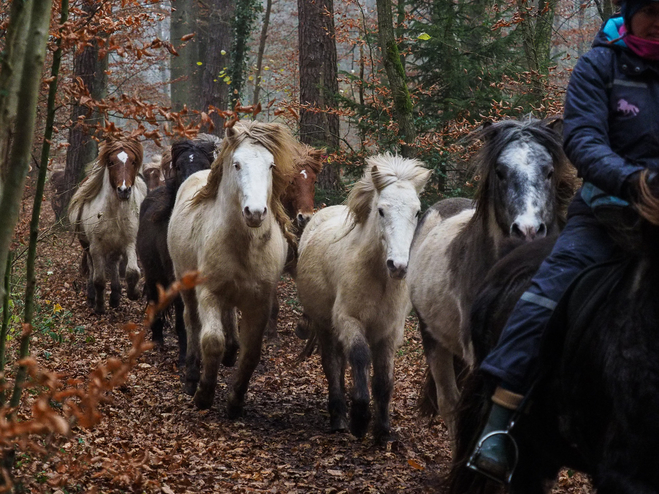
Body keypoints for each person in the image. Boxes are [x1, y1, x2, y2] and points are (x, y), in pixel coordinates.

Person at [468, 0, 659, 482]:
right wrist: (634, 182)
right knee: (541, 296)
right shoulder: (600, 65)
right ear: (630, 12)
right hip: (608, 217)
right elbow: (585, 140)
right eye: (652, 9)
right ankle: (501, 421)